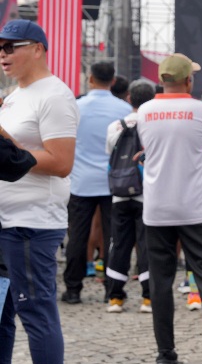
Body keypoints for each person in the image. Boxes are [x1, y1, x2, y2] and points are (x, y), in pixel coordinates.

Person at [137, 54, 202, 364]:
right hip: (194, 207)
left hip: (157, 207)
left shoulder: (145, 111)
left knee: (160, 282)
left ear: (161, 80)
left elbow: (152, 147)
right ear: (188, 80)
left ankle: (165, 354)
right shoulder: (201, 109)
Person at [0, 19, 79, 364]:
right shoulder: (16, 94)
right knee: (2, 318)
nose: (2, 54)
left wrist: (9, 146)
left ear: (37, 49)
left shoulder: (54, 95)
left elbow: (62, 162)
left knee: (35, 313)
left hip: (31, 223)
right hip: (6, 219)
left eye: (9, 47)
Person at [62, 61, 132, 305]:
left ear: (90, 79)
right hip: (114, 181)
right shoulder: (123, 108)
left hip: (81, 181)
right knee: (114, 236)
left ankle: (73, 288)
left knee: (78, 236)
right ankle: (112, 289)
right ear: (113, 81)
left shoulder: (76, 106)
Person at [104, 80, 156, 314]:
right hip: (147, 193)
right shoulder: (154, 124)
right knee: (146, 244)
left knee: (119, 244)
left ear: (128, 99)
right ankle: (148, 298)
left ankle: (115, 297)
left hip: (120, 192)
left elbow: (110, 153)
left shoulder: (116, 125)